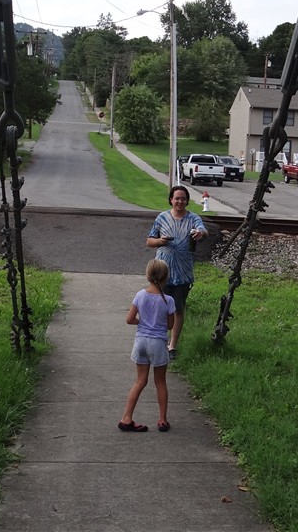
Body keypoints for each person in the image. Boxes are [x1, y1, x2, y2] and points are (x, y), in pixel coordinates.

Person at [146, 185, 208, 359]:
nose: (180, 201)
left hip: (183, 273)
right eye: (177, 198)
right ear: (171, 200)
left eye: (183, 198)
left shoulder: (193, 218)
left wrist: (200, 234)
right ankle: (159, 341)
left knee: (178, 309)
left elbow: (204, 231)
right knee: (159, 308)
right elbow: (149, 241)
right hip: (162, 272)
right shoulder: (162, 217)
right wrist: (160, 241)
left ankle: (172, 346)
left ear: (187, 201)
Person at [119, 259, 175, 433]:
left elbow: (129, 319)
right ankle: (162, 420)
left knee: (140, 381)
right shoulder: (168, 300)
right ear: (165, 278)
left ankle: (126, 418)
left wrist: (141, 322)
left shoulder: (140, 295)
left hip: (141, 341)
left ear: (148, 276)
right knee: (160, 382)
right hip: (157, 343)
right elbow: (170, 325)